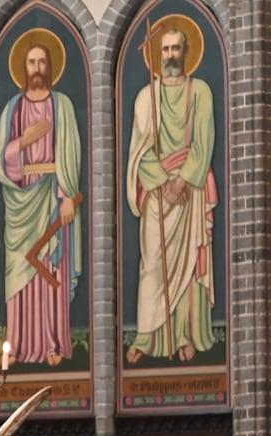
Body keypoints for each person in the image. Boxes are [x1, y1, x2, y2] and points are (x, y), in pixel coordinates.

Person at [125, 25, 216, 364]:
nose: (171, 56)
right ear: (157, 55)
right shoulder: (145, 97)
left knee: (189, 262)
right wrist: (162, 182)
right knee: (152, 263)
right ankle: (147, 336)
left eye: (176, 48)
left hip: (189, 188)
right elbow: (139, 149)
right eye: (165, 50)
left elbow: (204, 142)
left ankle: (184, 334)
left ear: (186, 52)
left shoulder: (200, 92)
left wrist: (183, 181)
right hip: (157, 190)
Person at [0, 35, 82, 366]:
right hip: (21, 199)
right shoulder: (12, 109)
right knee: (20, 269)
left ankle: (53, 342)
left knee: (50, 269)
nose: (37, 68)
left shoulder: (62, 106)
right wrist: (23, 142)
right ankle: (16, 344)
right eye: (31, 62)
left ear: (51, 66)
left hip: (53, 197)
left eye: (42, 61)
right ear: (23, 67)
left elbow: (70, 153)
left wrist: (68, 194)